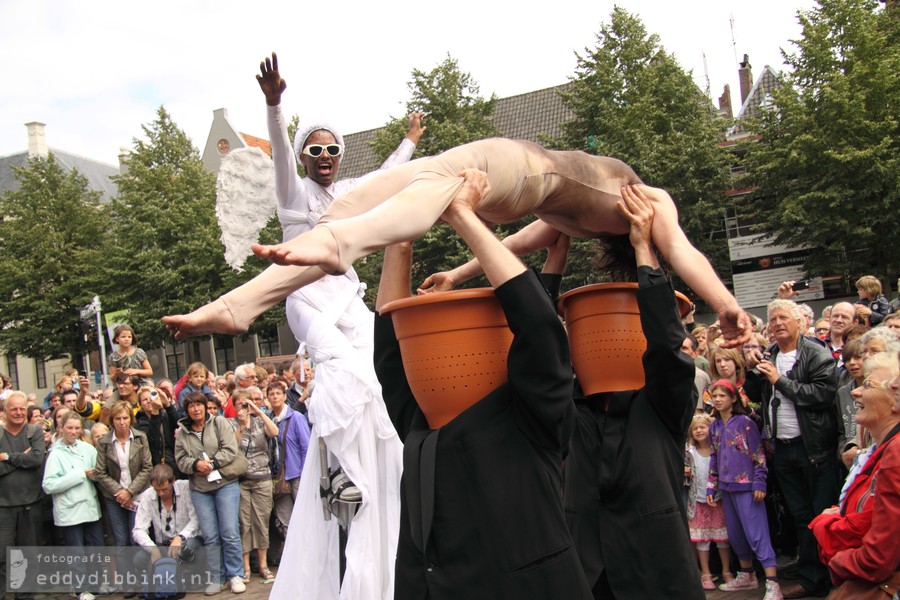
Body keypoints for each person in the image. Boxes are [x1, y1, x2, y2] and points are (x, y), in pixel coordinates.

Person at [163, 141, 753, 350]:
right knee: (354, 202)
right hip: (513, 170)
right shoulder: (632, 207)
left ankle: (341, 246)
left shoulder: (643, 208)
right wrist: (460, 275)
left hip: (514, 170)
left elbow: (684, 257)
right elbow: (519, 242)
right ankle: (241, 305)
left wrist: (725, 305)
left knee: (419, 198)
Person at [372, 169, 591, 599]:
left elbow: (539, 327)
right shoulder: (421, 427)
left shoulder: (532, 419)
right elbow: (389, 349)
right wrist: (401, 240)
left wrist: (462, 215)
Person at [562, 185, 704, 598]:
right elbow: (538, 347)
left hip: (656, 575)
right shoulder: (573, 411)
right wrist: (556, 258)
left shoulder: (661, 409)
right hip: (589, 578)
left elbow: (664, 344)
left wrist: (644, 250)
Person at [744, 299, 840, 598]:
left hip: (814, 449)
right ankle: (811, 576)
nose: (776, 323)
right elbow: (754, 394)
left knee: (821, 514)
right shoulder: (769, 353)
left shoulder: (816, 354)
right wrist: (751, 373)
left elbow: (822, 395)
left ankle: (830, 576)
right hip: (782, 450)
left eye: (783, 317)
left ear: (800, 322)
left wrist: (779, 381)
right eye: (772, 320)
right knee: (799, 515)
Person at [810, 351, 900, 596]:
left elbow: (879, 557)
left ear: (896, 399)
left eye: (867, 385)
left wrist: (838, 561)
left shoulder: (896, 452)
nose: (855, 391)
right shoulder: (882, 449)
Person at [706, 380, 782, 598]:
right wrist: (712, 487)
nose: (718, 400)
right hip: (727, 489)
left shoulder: (745, 423)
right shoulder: (714, 427)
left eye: (723, 396)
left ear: (733, 398)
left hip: (748, 488)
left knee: (757, 533)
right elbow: (713, 458)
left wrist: (759, 482)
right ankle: (747, 574)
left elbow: (758, 455)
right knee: (736, 535)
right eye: (715, 396)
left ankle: (773, 582)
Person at [174, 391, 245, 595]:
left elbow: (230, 449)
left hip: (225, 483)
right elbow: (180, 460)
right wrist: (196, 464)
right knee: (211, 535)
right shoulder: (183, 432)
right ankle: (217, 577)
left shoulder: (219, 423)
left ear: (205, 406)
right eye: (191, 406)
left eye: (199, 405)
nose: (196, 409)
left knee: (230, 532)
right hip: (200, 488)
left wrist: (212, 464)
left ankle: (235, 575)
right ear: (186, 410)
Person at [42, 412, 103, 600]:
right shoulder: (55, 454)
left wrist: (94, 476)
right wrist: (80, 475)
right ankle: (81, 588)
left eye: (77, 428)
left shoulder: (88, 448)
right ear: (61, 428)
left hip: (90, 507)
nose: (73, 432)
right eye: (69, 428)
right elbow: (48, 485)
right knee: (76, 551)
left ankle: (97, 585)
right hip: (69, 510)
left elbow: (98, 474)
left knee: (97, 547)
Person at [94, 401, 153, 587]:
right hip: (114, 497)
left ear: (131, 419)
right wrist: (119, 492)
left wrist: (130, 491)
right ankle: (128, 582)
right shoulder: (104, 442)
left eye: (125, 418)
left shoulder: (140, 438)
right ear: (112, 420)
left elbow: (147, 467)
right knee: (121, 540)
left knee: (136, 535)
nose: (122, 422)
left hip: (137, 494)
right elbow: (100, 472)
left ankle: (142, 579)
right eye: (118, 418)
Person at [229, 389, 278, 584]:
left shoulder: (259, 421)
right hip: (241, 480)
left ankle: (264, 565)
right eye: (240, 404)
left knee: (261, 522)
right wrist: (241, 426)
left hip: (262, 479)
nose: (243, 408)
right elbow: (232, 448)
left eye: (246, 403)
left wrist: (258, 411)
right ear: (233, 406)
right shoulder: (230, 423)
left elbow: (274, 432)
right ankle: (246, 567)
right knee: (244, 523)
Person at [0, 392, 46, 600]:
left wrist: (7, 457)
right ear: (5, 412)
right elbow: (28, 460)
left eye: (22, 409)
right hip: (3, 508)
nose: (18, 413)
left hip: (31, 505)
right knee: (2, 557)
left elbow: (37, 459)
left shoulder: (33, 432)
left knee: (28, 558)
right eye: (14, 409)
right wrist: (22, 459)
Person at [686, 413, 732, 591]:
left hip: (718, 500)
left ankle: (726, 570)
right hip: (697, 502)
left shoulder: (718, 449)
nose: (698, 430)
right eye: (695, 428)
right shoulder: (689, 453)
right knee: (701, 538)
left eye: (702, 427)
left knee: (722, 538)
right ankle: (705, 572)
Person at [131, 463, 202, 574]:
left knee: (188, 548)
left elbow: (196, 520)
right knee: (139, 559)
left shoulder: (186, 487)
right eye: (157, 490)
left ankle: (188, 577)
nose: (161, 493)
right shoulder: (147, 496)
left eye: (164, 489)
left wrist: (180, 538)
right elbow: (138, 530)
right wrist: (153, 549)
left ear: (173, 480)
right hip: (162, 544)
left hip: (187, 540)